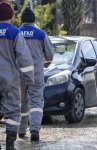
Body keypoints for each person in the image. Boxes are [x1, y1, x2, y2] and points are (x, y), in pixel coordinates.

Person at [0, 2, 34, 150]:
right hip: (9, 78)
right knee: (13, 111)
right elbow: (24, 58)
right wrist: (29, 77)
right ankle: (9, 144)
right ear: (11, 17)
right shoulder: (14, 32)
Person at [18, 7, 54, 141]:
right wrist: (44, 65)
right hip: (36, 73)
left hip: (18, 73)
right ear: (34, 20)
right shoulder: (41, 34)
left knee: (21, 102)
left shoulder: (16, 32)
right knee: (36, 102)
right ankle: (34, 129)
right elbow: (50, 55)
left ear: (22, 20)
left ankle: (21, 130)